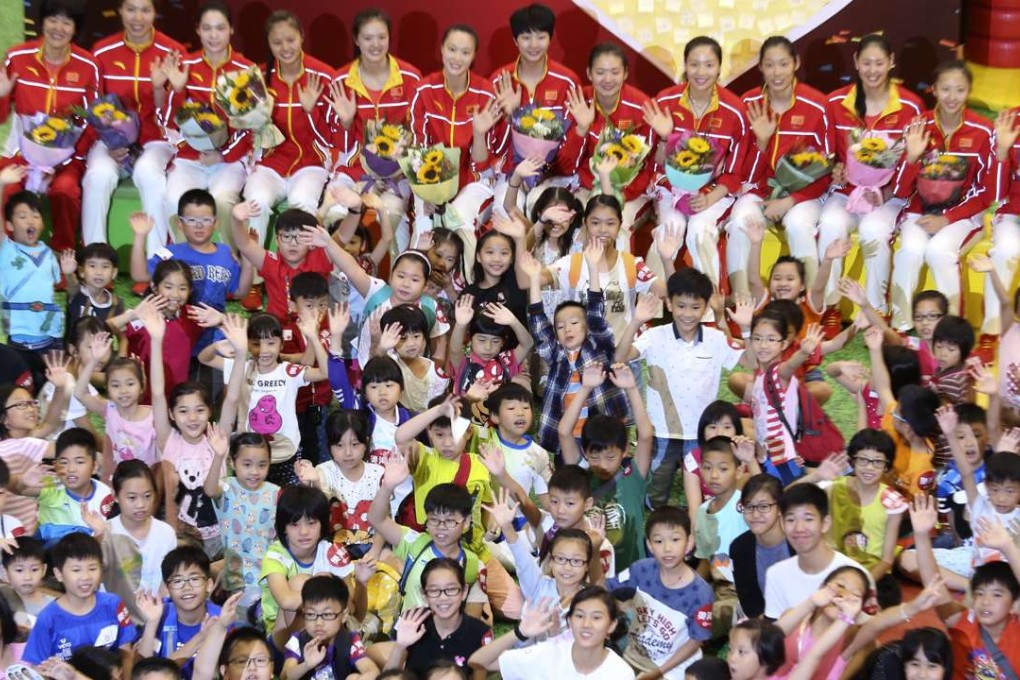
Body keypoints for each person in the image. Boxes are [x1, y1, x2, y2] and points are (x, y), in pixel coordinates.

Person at [614, 268, 751, 507]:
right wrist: (636, 320)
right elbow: (620, 356)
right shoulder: (655, 336)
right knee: (654, 499)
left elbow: (751, 362)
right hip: (662, 432)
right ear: (669, 304)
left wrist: (747, 329)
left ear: (706, 306)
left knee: (703, 497)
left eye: (695, 307)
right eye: (681, 306)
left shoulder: (716, 339)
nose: (687, 314)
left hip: (702, 433)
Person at [818, 35, 922, 323]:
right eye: (866, 63)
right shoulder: (837, 102)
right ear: (855, 63)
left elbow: (915, 159)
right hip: (846, 191)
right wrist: (834, 168)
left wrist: (888, 192)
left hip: (892, 195)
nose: (873, 70)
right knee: (830, 224)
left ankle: (874, 312)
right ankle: (830, 308)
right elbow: (826, 151)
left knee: (874, 232)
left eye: (879, 63)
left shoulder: (911, 107)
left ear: (891, 62)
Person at [240, 10, 334, 310]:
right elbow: (247, 128)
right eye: (277, 42)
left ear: (302, 37)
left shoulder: (322, 76)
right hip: (272, 163)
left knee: (303, 207)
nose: (285, 47)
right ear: (269, 43)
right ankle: (255, 281)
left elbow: (332, 135)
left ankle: (304, 281)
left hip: (311, 162)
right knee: (255, 202)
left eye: (290, 39)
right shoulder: (257, 78)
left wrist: (312, 110)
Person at [890, 61, 993, 330]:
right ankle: (900, 328)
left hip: (964, 214)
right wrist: (912, 157)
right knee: (909, 252)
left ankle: (950, 331)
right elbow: (900, 190)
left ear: (969, 91)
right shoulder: (917, 126)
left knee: (939, 252)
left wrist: (947, 219)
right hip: (918, 211)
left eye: (959, 90)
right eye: (945, 89)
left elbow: (986, 193)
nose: (952, 97)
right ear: (933, 90)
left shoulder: (983, 131)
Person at [727, 37, 830, 298]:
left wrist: (790, 201)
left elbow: (826, 169)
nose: (777, 72)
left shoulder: (817, 105)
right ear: (760, 67)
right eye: (769, 65)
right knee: (740, 221)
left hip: (808, 194)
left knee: (797, 224)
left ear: (796, 63)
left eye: (783, 64)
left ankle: (809, 305)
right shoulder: (749, 104)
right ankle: (744, 301)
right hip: (760, 190)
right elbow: (744, 174)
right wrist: (761, 142)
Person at [643, 36, 749, 286]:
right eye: (694, 64)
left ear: (720, 68)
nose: (701, 72)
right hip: (670, 188)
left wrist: (709, 198)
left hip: (714, 193)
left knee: (701, 231)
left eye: (709, 65)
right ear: (685, 65)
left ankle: (709, 311)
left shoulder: (735, 110)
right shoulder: (665, 102)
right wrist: (665, 137)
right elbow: (653, 161)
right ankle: (648, 311)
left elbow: (734, 172)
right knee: (669, 229)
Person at [84, 0, 186, 254]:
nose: (138, 17)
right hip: (110, 143)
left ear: (155, 12)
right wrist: (110, 141)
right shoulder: (102, 51)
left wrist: (159, 88)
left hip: (156, 140)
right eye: (131, 9)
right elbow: (94, 106)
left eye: (145, 10)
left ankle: (157, 263)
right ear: (119, 11)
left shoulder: (172, 51)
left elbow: (177, 113)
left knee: (149, 174)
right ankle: (96, 260)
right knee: (98, 176)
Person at [0, 0, 100, 253]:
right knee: (7, 186)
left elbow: (92, 122)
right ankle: (9, 256)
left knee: (65, 191)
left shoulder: (88, 66)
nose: (59, 27)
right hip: (21, 153)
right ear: (42, 22)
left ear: (75, 28)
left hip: (67, 158)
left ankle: (62, 255)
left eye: (67, 22)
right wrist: (2, 95)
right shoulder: (17, 57)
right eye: (53, 19)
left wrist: (66, 159)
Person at [409, 24, 504, 272]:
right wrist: (428, 195)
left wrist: (478, 133)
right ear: (441, 49)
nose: (457, 58)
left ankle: (467, 289)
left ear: (473, 56)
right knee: (423, 222)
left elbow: (481, 164)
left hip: (474, 181)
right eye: (452, 49)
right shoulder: (424, 90)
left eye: (465, 52)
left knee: (458, 220)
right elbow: (418, 149)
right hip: (430, 179)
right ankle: (415, 289)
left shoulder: (485, 93)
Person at [327, 8, 422, 252]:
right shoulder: (340, 81)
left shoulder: (411, 78)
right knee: (335, 215)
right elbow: (339, 143)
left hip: (397, 175)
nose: (376, 44)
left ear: (390, 38)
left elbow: (419, 134)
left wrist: (402, 169)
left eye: (382, 37)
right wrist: (347, 122)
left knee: (392, 215)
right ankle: (339, 283)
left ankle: (394, 283)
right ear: (357, 40)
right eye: (368, 38)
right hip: (354, 170)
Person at [162, 1, 253, 246]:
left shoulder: (246, 70)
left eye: (220, 28)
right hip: (190, 159)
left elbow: (254, 127)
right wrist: (178, 89)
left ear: (231, 30)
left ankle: (232, 265)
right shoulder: (185, 66)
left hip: (229, 161)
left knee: (223, 203)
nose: (214, 35)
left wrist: (223, 155)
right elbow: (167, 120)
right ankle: (183, 267)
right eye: (207, 28)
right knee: (174, 200)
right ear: (198, 30)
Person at [522, 245, 626, 454]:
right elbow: (538, 323)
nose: (567, 329)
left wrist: (594, 268)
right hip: (565, 441)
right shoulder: (557, 355)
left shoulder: (598, 348)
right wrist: (534, 280)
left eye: (574, 323)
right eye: (560, 326)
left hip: (598, 437)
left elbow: (596, 312)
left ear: (587, 327)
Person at [909, 494, 1020, 680]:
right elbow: (934, 584)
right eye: (979, 593)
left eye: (997, 595)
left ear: (1014, 602)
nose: (985, 601)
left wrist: (1008, 547)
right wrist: (921, 536)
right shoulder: (961, 623)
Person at [557, 43, 654, 246]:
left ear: (625, 73)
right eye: (600, 72)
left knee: (615, 228)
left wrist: (618, 196)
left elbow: (649, 166)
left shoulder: (641, 107)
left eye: (614, 72)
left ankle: (619, 278)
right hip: (586, 186)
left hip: (629, 192)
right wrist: (581, 128)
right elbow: (566, 165)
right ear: (589, 74)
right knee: (572, 224)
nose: (607, 79)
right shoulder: (578, 101)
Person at [559, 362, 652, 571]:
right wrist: (585, 388)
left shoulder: (633, 476)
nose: (602, 464)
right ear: (584, 452)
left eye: (610, 457)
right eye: (595, 456)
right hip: (592, 571)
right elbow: (564, 432)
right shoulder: (581, 475)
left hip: (632, 572)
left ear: (625, 450)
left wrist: (631, 388)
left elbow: (645, 435)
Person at [130, 190, 251, 350]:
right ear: (180, 223)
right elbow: (139, 275)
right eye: (191, 220)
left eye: (206, 220)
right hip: (176, 333)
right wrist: (139, 237)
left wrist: (248, 256)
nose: (199, 225)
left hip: (214, 335)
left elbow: (241, 292)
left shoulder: (225, 253)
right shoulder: (171, 253)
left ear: (216, 223)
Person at [489, 3, 580, 214]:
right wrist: (510, 115)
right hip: (509, 174)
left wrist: (549, 172)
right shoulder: (499, 81)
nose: (533, 44)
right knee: (505, 213)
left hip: (554, 176)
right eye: (526, 37)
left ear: (550, 38)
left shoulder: (566, 81)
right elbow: (493, 145)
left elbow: (571, 142)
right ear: (515, 40)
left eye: (541, 37)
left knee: (544, 212)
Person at [605, 507, 713, 679]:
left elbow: (696, 640)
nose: (667, 548)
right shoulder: (641, 570)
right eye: (659, 541)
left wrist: (658, 673)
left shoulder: (701, 592)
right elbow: (604, 589)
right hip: (632, 657)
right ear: (649, 545)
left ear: (689, 543)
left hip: (672, 669)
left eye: (675, 539)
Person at [469, 585, 635, 680]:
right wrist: (519, 632)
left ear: (611, 625)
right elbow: (478, 661)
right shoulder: (549, 653)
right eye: (579, 615)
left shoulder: (620, 673)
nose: (586, 624)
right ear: (569, 620)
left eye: (596, 618)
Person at [22, 533, 138, 664]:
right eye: (76, 570)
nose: (86, 577)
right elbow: (37, 666)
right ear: (59, 574)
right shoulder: (48, 619)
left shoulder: (113, 604)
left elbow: (126, 653)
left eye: (92, 568)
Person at [763, 484, 871, 620]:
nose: (799, 528)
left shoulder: (856, 576)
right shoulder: (776, 574)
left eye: (808, 519)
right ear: (782, 524)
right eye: (791, 520)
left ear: (825, 523)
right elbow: (774, 634)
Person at [376, 559, 492, 677]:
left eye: (451, 589)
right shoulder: (413, 621)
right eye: (434, 590)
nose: (443, 597)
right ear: (424, 594)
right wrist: (400, 646)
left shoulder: (479, 633)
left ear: (464, 591)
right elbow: (388, 677)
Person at [204, 432, 278, 608]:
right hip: (235, 582)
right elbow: (209, 489)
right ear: (232, 463)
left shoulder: (276, 492)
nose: (254, 471)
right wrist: (218, 456)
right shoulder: (227, 487)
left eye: (262, 465)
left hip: (270, 580)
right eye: (247, 464)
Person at [0, 168, 65, 358]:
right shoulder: (7, 250)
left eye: (36, 216)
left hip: (51, 338)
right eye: (22, 216)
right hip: (18, 341)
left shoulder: (49, 253)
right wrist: (2, 186)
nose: (31, 220)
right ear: (10, 225)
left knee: (54, 387)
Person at [135, 546, 222, 677]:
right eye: (177, 581)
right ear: (166, 588)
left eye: (194, 579)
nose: (187, 587)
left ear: (209, 584)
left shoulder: (221, 619)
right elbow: (144, 675)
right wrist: (152, 623)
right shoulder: (160, 614)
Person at [279, 575, 379, 680]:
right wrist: (306, 665)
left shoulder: (350, 641)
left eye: (327, 615)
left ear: (344, 615)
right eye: (311, 614)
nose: (318, 622)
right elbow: (285, 677)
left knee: (353, 677)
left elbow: (373, 671)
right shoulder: (297, 640)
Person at [107, 460, 177, 594]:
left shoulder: (166, 534)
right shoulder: (105, 534)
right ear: (115, 496)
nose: (141, 504)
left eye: (147, 496)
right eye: (132, 498)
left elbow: (168, 582)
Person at [730, 475, 792, 620]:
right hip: (765, 626)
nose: (755, 514)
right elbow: (750, 605)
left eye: (764, 506)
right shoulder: (740, 548)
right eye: (749, 506)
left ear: (780, 508)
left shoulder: (798, 541)